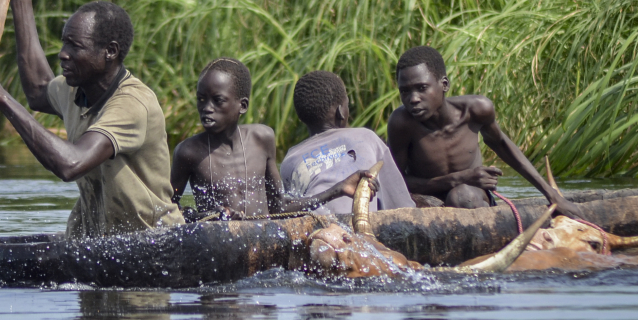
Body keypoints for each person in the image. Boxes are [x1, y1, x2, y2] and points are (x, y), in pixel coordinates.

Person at [0, 0, 185, 238]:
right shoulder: (75, 89)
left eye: (75, 46)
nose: (63, 55)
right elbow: (38, 89)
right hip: (96, 241)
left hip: (153, 241)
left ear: (110, 52)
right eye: (63, 43)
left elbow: (71, 164)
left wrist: (2, 98)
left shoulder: (133, 104)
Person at [386, 45, 582, 218]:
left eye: (422, 88)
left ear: (444, 85)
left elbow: (504, 147)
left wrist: (552, 195)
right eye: (405, 91)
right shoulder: (402, 123)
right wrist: (460, 178)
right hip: (427, 200)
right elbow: (396, 183)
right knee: (453, 193)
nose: (413, 99)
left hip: (472, 197)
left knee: (462, 195)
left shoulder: (476, 110)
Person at [170, 58, 376, 220]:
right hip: (219, 248)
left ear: (242, 105)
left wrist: (338, 189)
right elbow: (167, 210)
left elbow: (279, 207)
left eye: (218, 101)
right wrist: (203, 216)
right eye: (201, 99)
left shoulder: (261, 139)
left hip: (263, 243)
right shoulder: (188, 152)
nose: (207, 108)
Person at [281, 70, 414, 214]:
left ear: (301, 118)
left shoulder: (289, 160)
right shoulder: (365, 137)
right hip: (360, 228)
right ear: (341, 111)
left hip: (316, 230)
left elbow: (288, 209)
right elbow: (401, 206)